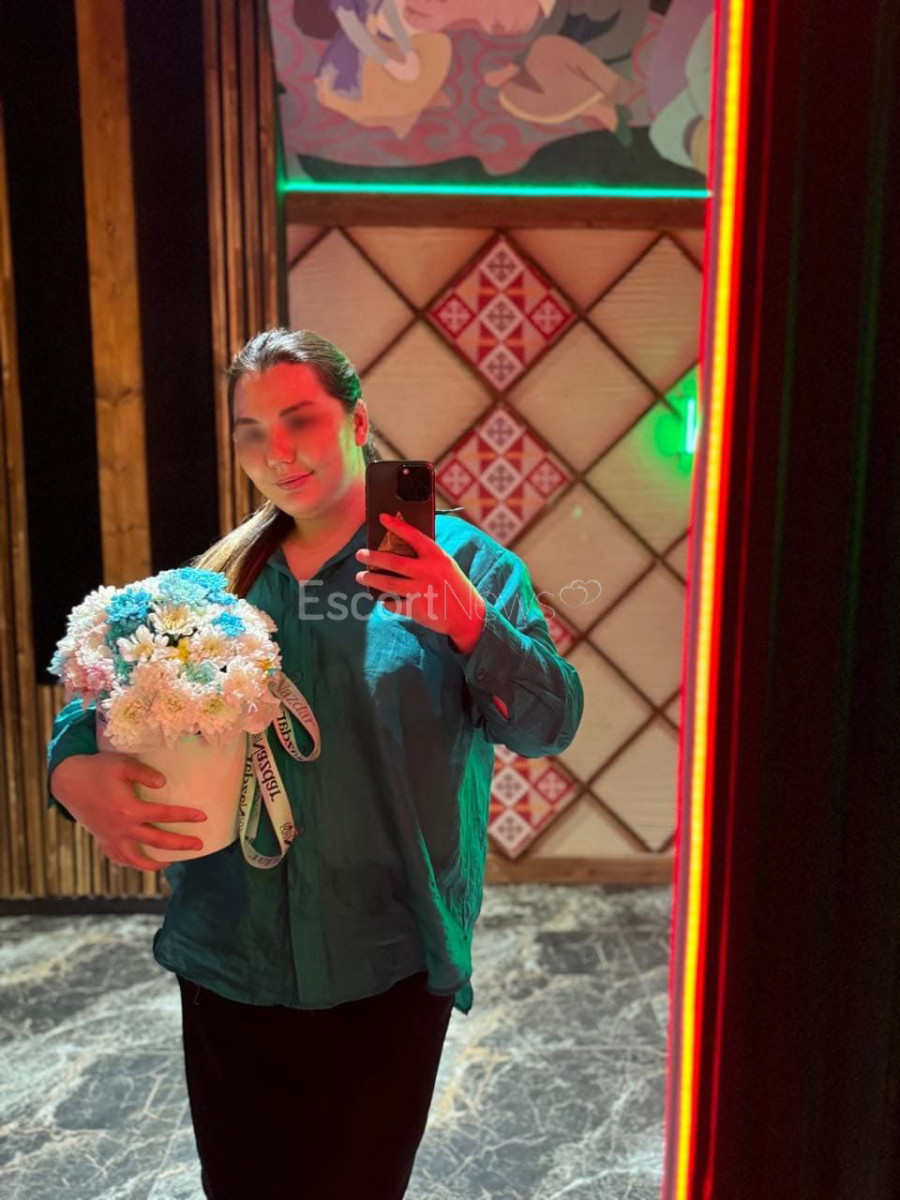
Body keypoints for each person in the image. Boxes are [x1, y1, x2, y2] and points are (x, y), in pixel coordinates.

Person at [46, 327, 584, 1199]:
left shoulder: (469, 567)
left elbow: (549, 724)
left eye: (300, 419)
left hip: (388, 960)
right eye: (252, 431)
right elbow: (102, 691)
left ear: (358, 422)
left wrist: (468, 622)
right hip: (231, 952)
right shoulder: (217, 580)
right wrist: (69, 770)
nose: (277, 452)